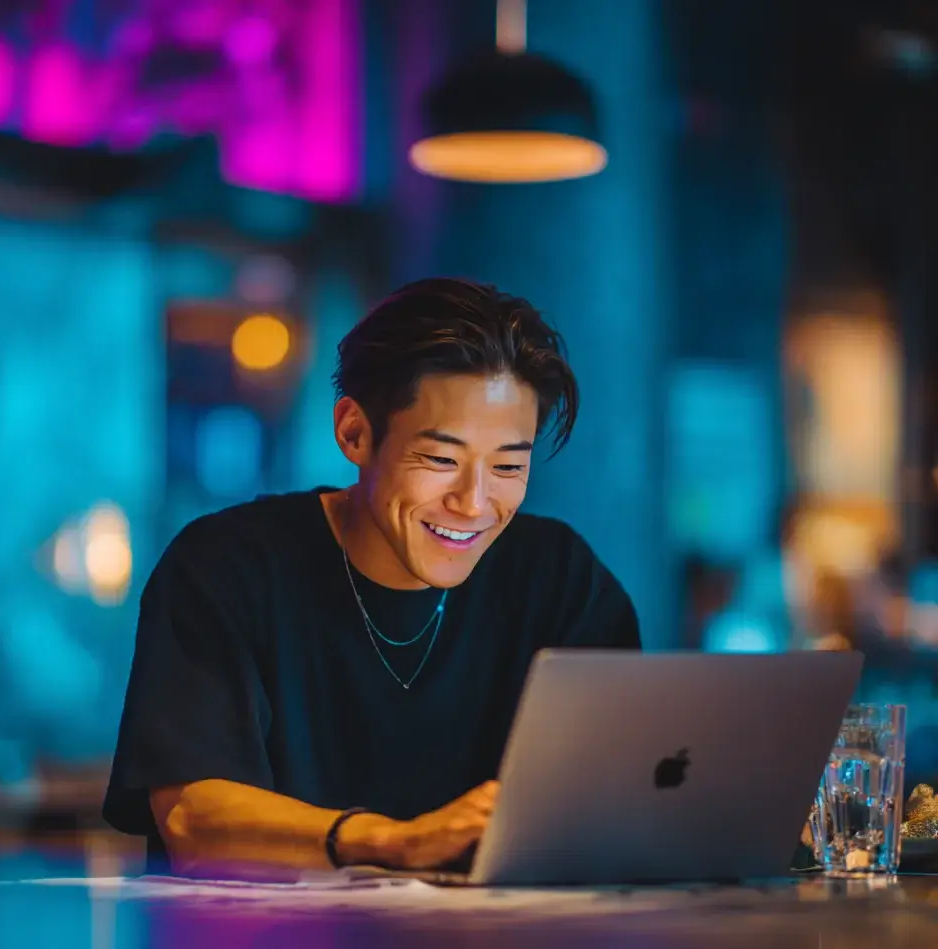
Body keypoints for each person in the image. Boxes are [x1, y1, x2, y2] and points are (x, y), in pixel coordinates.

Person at [103, 278, 640, 877]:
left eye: (509, 465)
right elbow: (190, 818)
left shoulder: (559, 577)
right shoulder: (227, 565)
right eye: (441, 460)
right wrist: (389, 841)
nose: (474, 502)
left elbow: (640, 793)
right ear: (354, 433)